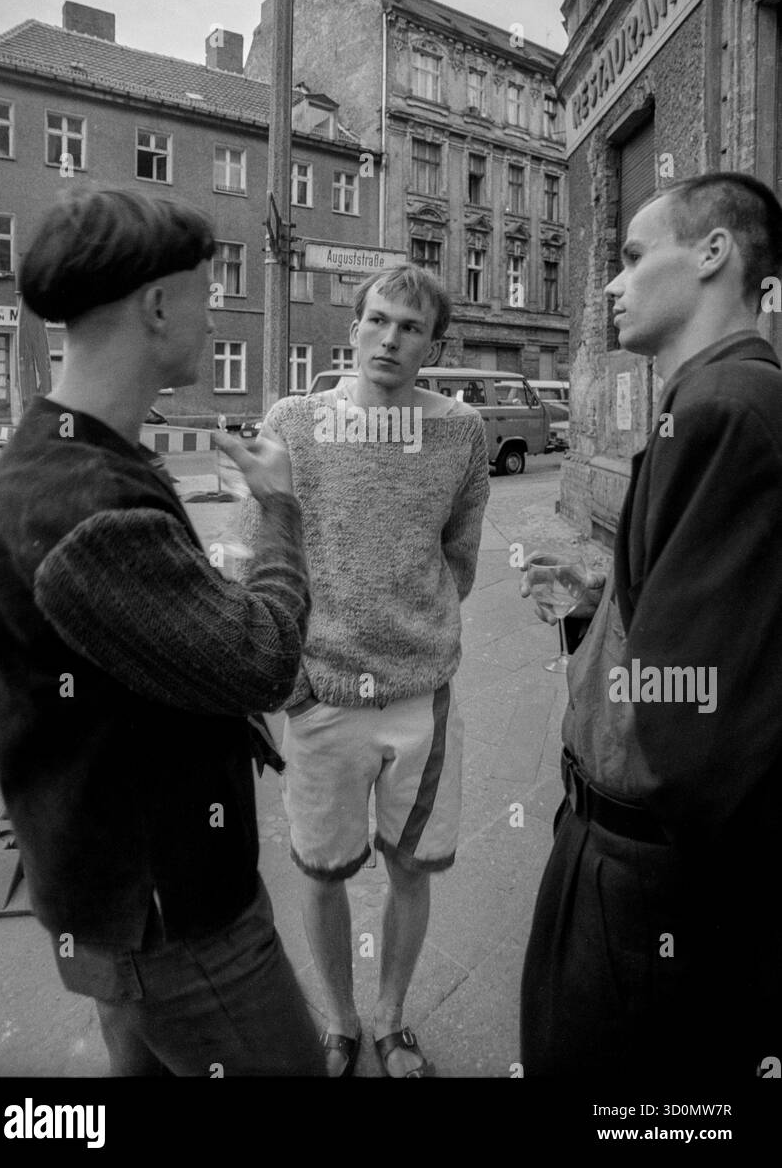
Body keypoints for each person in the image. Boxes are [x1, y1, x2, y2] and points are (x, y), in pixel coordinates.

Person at [0, 188, 324, 1077]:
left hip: (117, 908)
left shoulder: (69, 453)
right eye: (209, 294)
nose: (215, 320)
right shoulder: (86, 501)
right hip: (173, 919)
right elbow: (264, 660)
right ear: (158, 305)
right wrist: (281, 509)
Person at [519, 172, 782, 1078]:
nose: (610, 284)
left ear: (713, 254)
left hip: (647, 874)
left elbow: (700, 709)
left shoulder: (724, 410)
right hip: (632, 856)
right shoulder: (715, 400)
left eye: (634, 258)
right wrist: (604, 612)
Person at [243, 265, 490, 1077]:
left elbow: (459, 557)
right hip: (320, 697)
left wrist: (415, 630)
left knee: (412, 869)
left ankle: (390, 1019)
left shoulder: (460, 432)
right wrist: (290, 678)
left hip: (420, 698)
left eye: (411, 327)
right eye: (378, 320)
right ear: (352, 327)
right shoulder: (294, 422)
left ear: (435, 344)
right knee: (322, 873)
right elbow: (258, 555)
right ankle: (342, 1022)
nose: (390, 338)